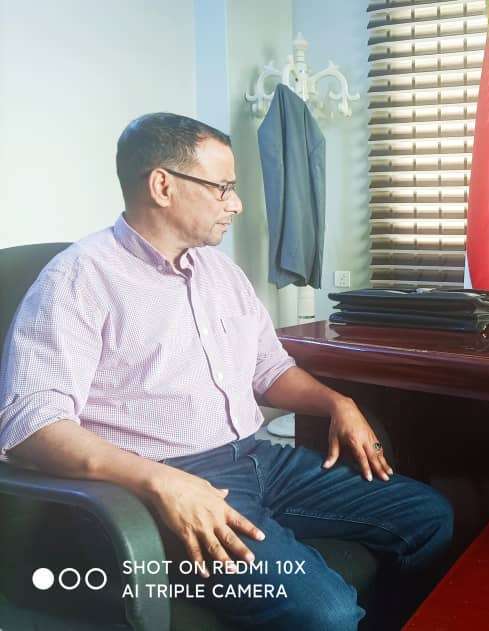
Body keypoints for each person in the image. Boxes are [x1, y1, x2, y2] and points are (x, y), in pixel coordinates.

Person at [0, 113, 452, 629]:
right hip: (160, 483)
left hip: (256, 460)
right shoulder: (79, 277)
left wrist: (336, 403)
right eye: (223, 188)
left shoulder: (220, 272)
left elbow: (268, 370)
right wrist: (160, 481)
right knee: (325, 611)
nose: (236, 205)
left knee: (429, 518)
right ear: (163, 185)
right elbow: (31, 425)